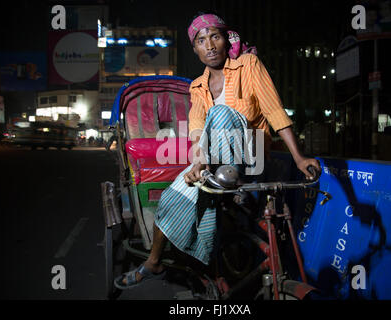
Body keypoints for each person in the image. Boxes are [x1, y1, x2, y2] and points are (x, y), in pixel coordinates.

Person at [114, 12, 321, 289]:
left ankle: (220, 176)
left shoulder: (248, 64)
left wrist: (298, 157)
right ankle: (154, 262)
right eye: (201, 40)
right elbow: (198, 132)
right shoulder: (197, 87)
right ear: (195, 48)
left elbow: (274, 109)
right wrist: (198, 164)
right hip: (214, 164)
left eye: (215, 36)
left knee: (222, 113)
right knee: (171, 197)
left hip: (251, 156)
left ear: (226, 40)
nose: (209, 45)